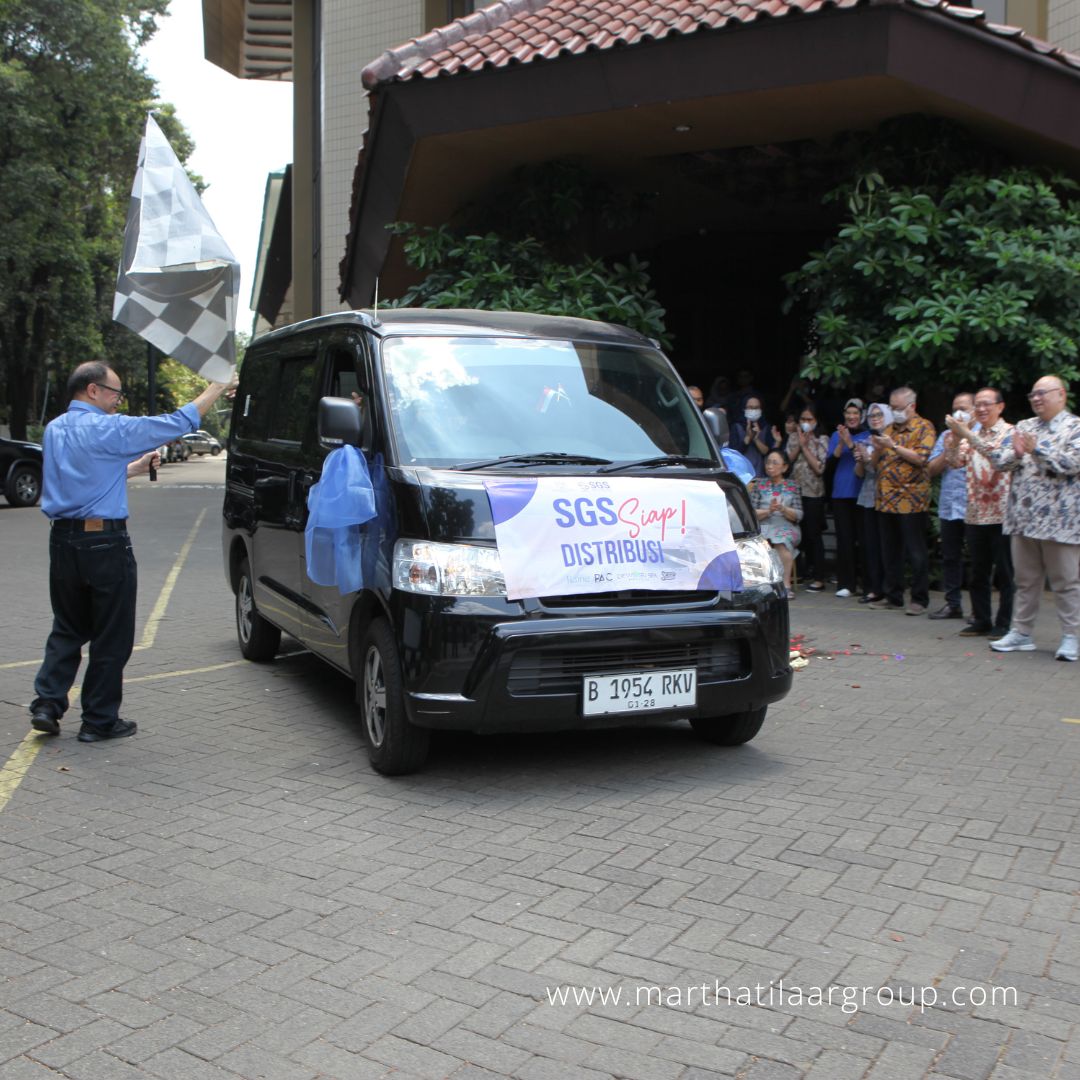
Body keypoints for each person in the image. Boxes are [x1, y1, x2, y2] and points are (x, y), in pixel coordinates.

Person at [29, 361, 236, 742]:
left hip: (63, 542)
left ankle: (47, 704)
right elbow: (177, 422)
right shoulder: (109, 428)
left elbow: (83, 476)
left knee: (68, 626)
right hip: (105, 544)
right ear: (92, 390)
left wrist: (132, 469)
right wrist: (216, 388)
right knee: (112, 634)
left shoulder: (55, 430)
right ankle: (98, 720)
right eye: (115, 393)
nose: (117, 402)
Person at [948, 375, 1080, 661]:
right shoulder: (1025, 427)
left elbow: (1072, 464)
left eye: (1043, 393)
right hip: (1022, 517)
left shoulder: (1075, 427)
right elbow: (1002, 461)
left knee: (1066, 581)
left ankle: (1072, 636)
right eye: (1033, 394)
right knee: (1025, 580)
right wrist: (1015, 452)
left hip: (1060, 521)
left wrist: (1036, 450)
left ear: (1061, 395)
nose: (1036, 399)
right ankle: (1021, 633)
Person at [943, 388, 1013, 637]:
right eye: (978, 405)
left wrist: (967, 436)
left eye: (987, 404)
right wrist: (953, 437)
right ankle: (981, 620)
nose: (981, 409)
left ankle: (1004, 624)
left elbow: (1000, 459)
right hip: (975, 512)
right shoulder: (967, 435)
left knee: (1006, 573)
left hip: (1003, 513)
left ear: (1000, 406)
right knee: (978, 572)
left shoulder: (1010, 433)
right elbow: (953, 462)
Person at [869, 386, 935, 615]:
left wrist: (893, 446)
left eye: (898, 408)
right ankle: (893, 595)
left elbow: (921, 458)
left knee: (915, 551)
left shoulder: (924, 427)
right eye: (892, 408)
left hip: (911, 501)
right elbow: (874, 463)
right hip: (886, 500)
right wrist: (877, 449)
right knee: (890, 551)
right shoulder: (888, 429)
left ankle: (919, 599)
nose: (894, 412)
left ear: (912, 406)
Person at [926, 391, 975, 620]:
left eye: (964, 408)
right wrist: (950, 447)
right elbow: (931, 470)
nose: (959, 412)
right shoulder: (946, 435)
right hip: (949, 505)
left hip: (975, 508)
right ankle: (952, 604)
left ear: (975, 410)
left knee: (978, 558)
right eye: (955, 408)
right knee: (950, 556)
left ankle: (979, 610)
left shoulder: (981, 436)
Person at [828, 398, 870, 598]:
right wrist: (842, 442)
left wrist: (851, 444)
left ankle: (867, 584)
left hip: (861, 492)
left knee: (864, 539)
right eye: (848, 413)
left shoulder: (869, 435)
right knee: (844, 539)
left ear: (861, 415)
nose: (852, 417)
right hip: (840, 492)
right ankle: (846, 583)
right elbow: (830, 463)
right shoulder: (836, 435)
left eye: (856, 413)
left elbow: (864, 461)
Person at [785, 404, 828, 592]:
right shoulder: (793, 437)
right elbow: (787, 462)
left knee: (813, 534)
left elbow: (819, 468)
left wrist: (805, 446)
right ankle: (800, 573)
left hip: (814, 493)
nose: (805, 423)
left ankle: (819, 576)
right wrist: (798, 443)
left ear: (816, 421)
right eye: (803, 419)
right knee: (797, 534)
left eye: (809, 419)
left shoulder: (822, 439)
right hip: (795, 493)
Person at [752, 449, 802, 599]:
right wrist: (768, 510)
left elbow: (799, 514)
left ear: (785, 467)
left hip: (786, 525)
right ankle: (760, 585)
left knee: (781, 540)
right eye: (768, 462)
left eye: (775, 463)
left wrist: (783, 508)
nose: (770, 466)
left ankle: (785, 585)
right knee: (757, 543)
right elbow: (751, 512)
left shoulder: (793, 486)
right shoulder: (759, 484)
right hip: (764, 523)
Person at [855, 403, 891, 603]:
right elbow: (859, 474)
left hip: (889, 499)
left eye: (879, 414)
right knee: (870, 545)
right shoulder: (866, 439)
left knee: (888, 546)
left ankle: (889, 588)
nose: (875, 418)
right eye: (871, 415)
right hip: (868, 497)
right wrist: (861, 460)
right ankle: (873, 588)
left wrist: (873, 456)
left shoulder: (892, 439)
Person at [729, 396, 774, 478]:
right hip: (741, 474)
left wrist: (756, 439)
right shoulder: (736, 426)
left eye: (756, 408)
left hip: (761, 474)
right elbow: (733, 453)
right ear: (744, 409)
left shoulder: (766, 427)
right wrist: (747, 437)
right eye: (750, 407)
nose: (753, 410)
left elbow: (768, 452)